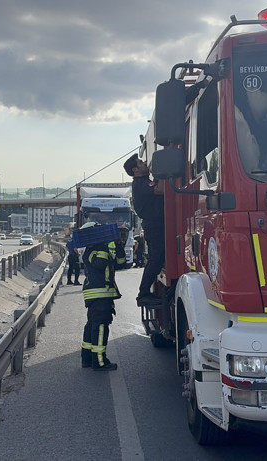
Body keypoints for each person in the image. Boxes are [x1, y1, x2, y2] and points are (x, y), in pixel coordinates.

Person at [79, 222, 122, 371]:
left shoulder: (99, 250)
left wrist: (119, 245)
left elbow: (120, 263)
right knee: (100, 327)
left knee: (92, 326)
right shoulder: (91, 251)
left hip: (101, 296)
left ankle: (87, 359)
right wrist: (103, 247)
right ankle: (99, 362)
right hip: (99, 296)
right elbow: (100, 265)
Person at [123, 154, 164, 306]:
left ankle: (145, 292)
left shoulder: (142, 182)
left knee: (157, 259)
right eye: (140, 162)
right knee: (156, 259)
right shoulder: (141, 183)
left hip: (155, 224)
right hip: (155, 225)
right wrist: (161, 170)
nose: (144, 163)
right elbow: (161, 190)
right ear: (135, 169)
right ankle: (143, 294)